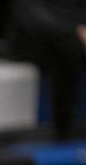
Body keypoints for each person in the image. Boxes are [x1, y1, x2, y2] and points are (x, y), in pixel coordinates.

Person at [8, 0, 86, 141]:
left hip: (73, 35)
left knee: (70, 47)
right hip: (34, 39)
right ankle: (63, 128)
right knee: (68, 49)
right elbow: (33, 16)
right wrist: (73, 31)